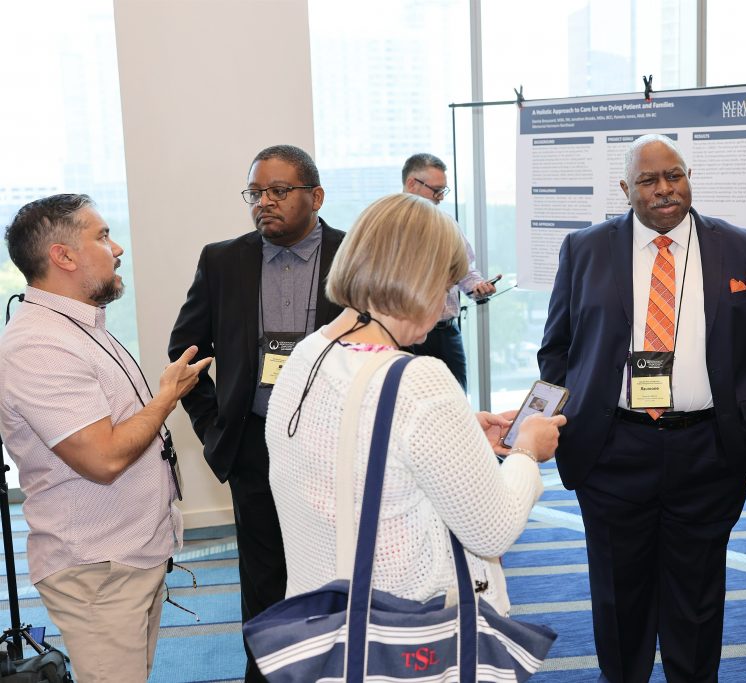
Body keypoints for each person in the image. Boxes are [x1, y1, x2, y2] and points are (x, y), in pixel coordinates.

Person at [538, 134, 746, 682]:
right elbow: (557, 350)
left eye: (674, 175)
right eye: (648, 180)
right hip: (612, 450)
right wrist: (557, 422)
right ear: (625, 189)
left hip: (708, 451)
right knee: (618, 599)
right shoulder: (584, 249)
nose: (664, 189)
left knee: (697, 601)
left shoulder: (741, 247)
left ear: (689, 176)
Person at [264, 192, 565, 619]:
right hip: (407, 630)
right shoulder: (419, 380)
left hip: (321, 616)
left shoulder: (308, 353)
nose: (445, 304)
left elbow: (358, 449)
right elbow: (494, 530)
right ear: (419, 280)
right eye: (444, 287)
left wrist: (459, 435)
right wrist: (527, 451)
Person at [0, 194, 210, 682]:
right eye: (102, 236)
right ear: (63, 256)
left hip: (123, 559)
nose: (117, 249)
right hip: (97, 569)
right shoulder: (39, 345)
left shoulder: (77, 326)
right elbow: (103, 458)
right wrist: (167, 397)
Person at [168, 145, 345, 682]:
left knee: (336, 572)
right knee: (264, 579)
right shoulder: (223, 261)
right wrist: (215, 426)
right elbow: (185, 353)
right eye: (256, 192)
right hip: (256, 444)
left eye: (279, 191)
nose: (264, 202)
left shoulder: (355, 254)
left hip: (338, 447)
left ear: (315, 196)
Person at [401, 153, 497, 390]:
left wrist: (478, 288)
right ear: (412, 183)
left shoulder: (447, 223)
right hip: (405, 335)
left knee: (457, 401)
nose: (441, 198)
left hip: (446, 334)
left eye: (443, 191)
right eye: (436, 191)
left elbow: (465, 269)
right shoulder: (389, 225)